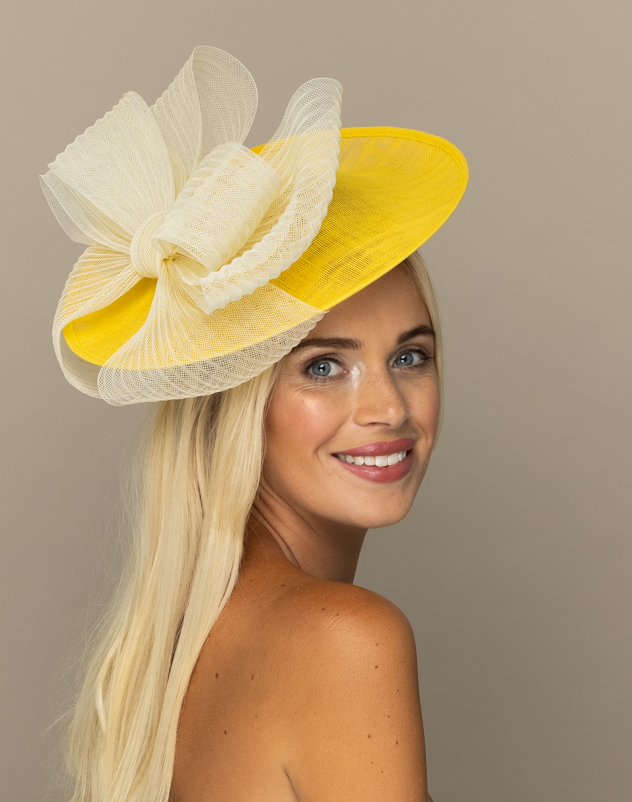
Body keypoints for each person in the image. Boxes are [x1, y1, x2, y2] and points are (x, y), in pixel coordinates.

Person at [41, 46, 468, 802]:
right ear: (235, 400)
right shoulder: (345, 639)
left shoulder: (180, 645)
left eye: (410, 357)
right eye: (323, 366)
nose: (389, 408)